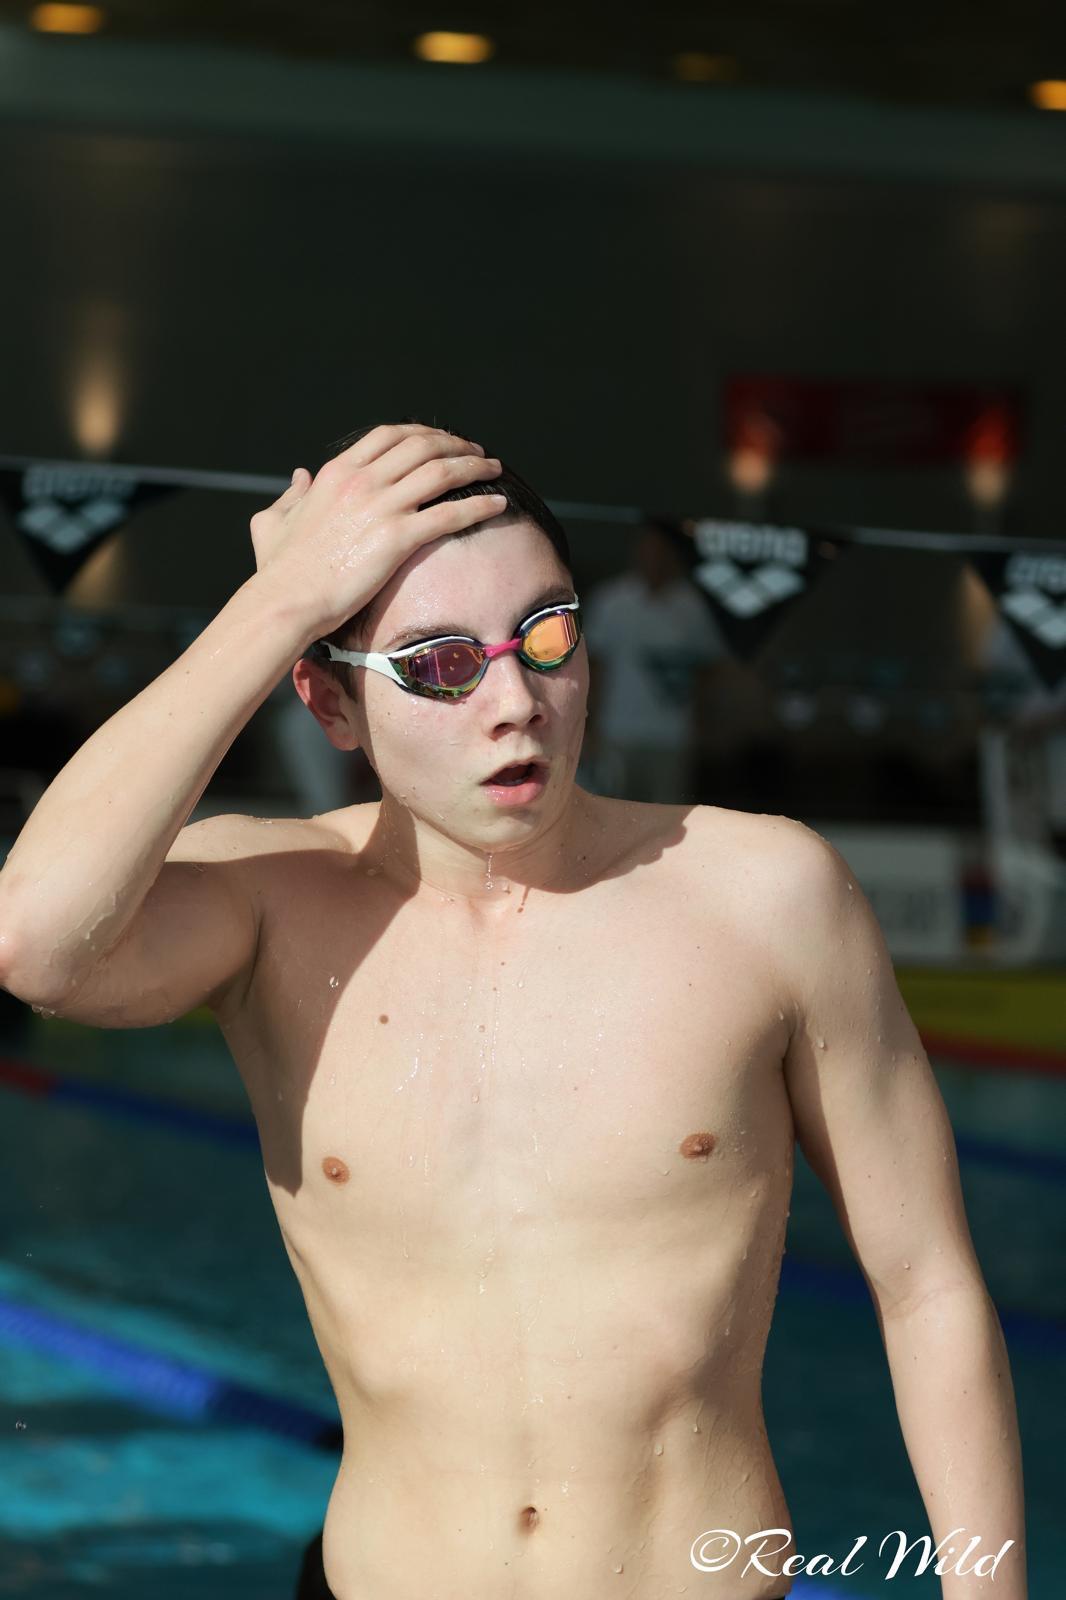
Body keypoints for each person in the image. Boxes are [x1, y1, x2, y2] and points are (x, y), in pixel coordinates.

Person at [0, 421, 1026, 1600]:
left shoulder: (768, 897)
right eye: (440, 664)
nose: (516, 701)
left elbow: (927, 1285)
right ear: (330, 703)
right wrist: (276, 603)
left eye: (545, 636)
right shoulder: (273, 905)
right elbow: (34, 941)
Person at [583, 517, 727, 802]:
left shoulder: (693, 607)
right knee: (614, 810)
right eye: (650, 547)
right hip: (618, 730)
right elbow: (594, 668)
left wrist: (703, 725)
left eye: (664, 549)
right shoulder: (612, 601)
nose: (656, 556)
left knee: (669, 817)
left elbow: (708, 671)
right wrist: (589, 726)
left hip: (672, 736)